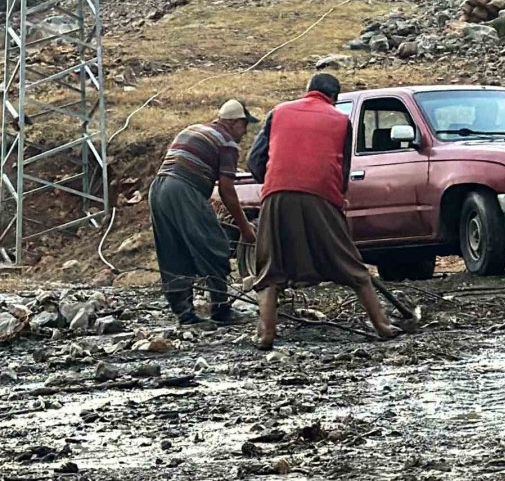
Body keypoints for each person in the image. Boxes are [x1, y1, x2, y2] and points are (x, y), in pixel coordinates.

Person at [248, 73, 397, 350]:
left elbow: (255, 159)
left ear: (308, 90)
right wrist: (339, 197)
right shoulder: (341, 120)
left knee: (270, 267)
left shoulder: (278, 112)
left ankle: (265, 334)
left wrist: (274, 181)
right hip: (321, 195)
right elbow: (343, 170)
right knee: (350, 264)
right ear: (335, 98)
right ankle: (383, 325)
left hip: (277, 195)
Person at [149, 99, 259, 327]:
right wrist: (245, 228)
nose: (245, 132)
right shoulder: (226, 142)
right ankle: (221, 309)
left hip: (159, 189)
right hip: (183, 189)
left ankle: (185, 315)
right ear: (236, 122)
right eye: (244, 125)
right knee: (214, 246)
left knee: (173, 251)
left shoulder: (193, 129)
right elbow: (227, 189)